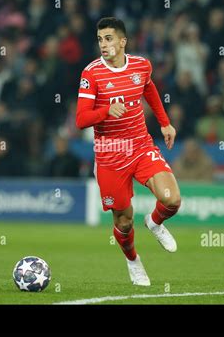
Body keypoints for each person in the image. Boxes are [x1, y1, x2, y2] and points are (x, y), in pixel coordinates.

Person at [76, 17, 181, 286]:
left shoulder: (141, 66)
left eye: (108, 38)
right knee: (123, 222)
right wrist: (105, 110)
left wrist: (165, 122)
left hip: (140, 145)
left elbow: (149, 89)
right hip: (110, 153)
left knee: (172, 200)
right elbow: (80, 120)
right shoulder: (92, 73)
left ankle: (155, 222)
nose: (103, 44)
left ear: (123, 41)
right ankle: (133, 261)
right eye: (100, 39)